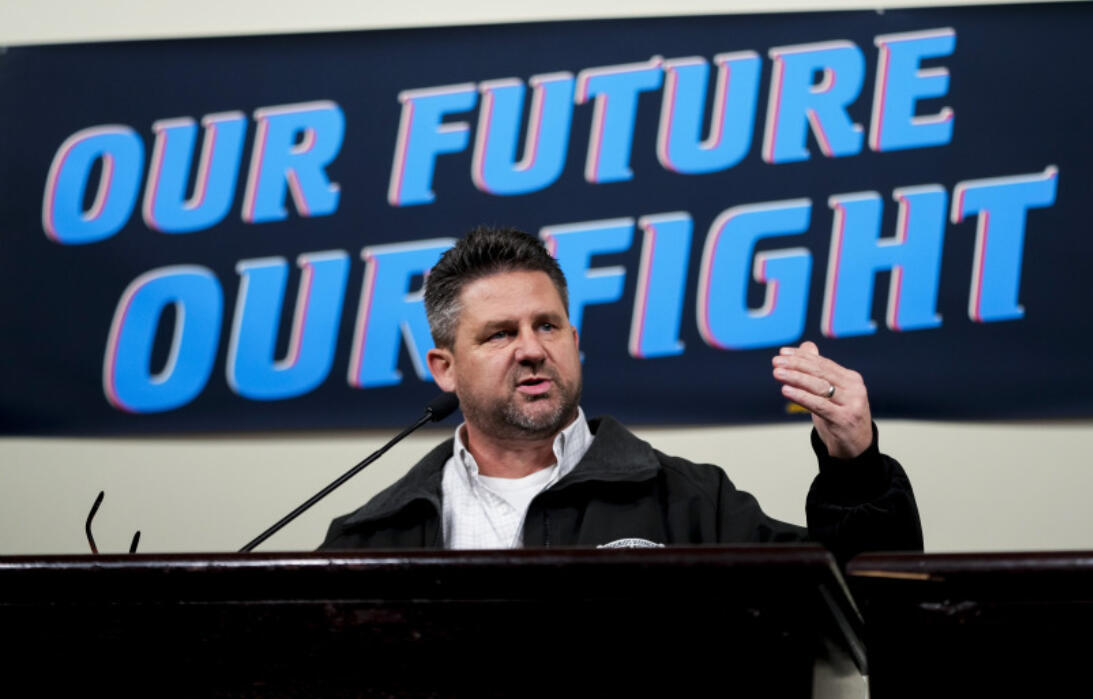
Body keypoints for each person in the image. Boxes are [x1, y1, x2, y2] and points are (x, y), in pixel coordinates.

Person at [321, 227, 921, 562]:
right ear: (444, 368)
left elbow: (857, 609)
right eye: (500, 334)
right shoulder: (372, 536)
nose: (532, 349)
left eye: (547, 326)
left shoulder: (693, 503)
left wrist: (856, 468)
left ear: (574, 340)